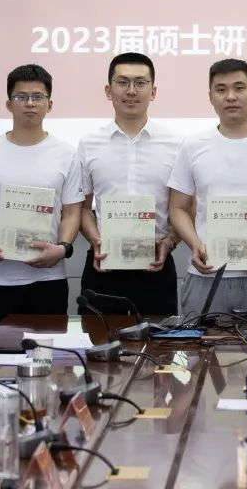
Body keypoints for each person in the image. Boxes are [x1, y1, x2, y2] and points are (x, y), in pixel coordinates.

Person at [168, 58, 247, 323]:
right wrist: (194, 244)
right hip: (206, 274)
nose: (231, 97)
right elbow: (178, 208)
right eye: (221, 89)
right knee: (201, 348)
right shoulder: (192, 146)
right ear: (210, 97)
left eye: (239, 88)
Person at [0, 64, 83, 337]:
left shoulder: (66, 154)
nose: (30, 104)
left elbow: (72, 212)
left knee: (49, 356)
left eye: (37, 97)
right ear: (9, 104)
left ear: (49, 104)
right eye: (21, 97)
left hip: (49, 280)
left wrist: (62, 248)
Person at [77, 53, 182, 317]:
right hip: (104, 265)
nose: (131, 91)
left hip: (156, 267)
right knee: (99, 341)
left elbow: (184, 208)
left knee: (158, 341)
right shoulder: (89, 144)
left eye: (140, 83)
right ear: (108, 90)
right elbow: (82, 209)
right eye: (122, 82)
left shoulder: (176, 145)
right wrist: (95, 240)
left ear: (153, 91)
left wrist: (170, 242)